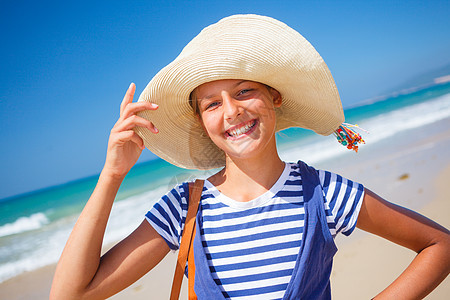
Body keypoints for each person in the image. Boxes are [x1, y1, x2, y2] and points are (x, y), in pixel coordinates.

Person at [50, 14, 450, 299]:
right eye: (211, 103)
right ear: (202, 120)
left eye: (244, 91)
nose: (231, 111)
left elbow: (439, 245)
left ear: (274, 98)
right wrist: (112, 174)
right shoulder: (184, 210)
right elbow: (71, 294)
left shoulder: (323, 193)